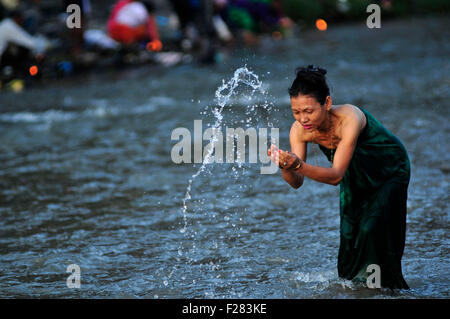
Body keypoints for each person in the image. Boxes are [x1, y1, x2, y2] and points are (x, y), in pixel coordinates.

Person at [269, 65, 410, 289]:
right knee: (350, 234)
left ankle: (389, 289)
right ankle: (355, 289)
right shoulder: (299, 130)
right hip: (354, 173)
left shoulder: (349, 118)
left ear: (326, 103)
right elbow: (297, 182)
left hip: (389, 169)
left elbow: (335, 176)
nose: (303, 118)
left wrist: (297, 163)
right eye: (296, 112)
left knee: (372, 229)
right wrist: (285, 166)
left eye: (309, 110)